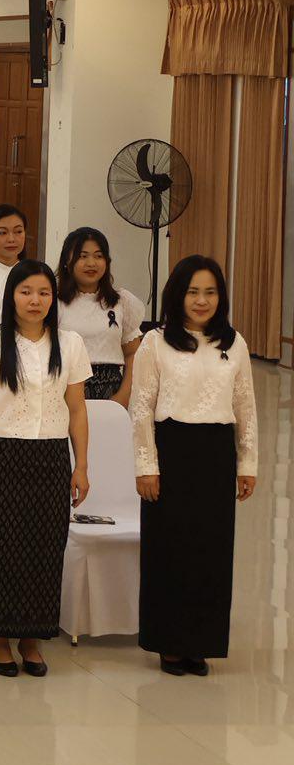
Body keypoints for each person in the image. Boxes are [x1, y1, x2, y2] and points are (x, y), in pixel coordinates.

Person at [130, 256, 258, 676]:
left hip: (216, 454)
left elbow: (246, 407)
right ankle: (169, 642)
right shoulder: (156, 341)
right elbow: (141, 407)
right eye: (192, 291)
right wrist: (146, 465)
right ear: (177, 295)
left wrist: (247, 463)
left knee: (211, 551)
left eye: (210, 292)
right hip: (172, 450)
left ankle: (199, 643)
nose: (202, 300)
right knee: (170, 550)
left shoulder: (233, 343)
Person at [0, 260, 91, 677]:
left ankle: (32, 639)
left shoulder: (69, 344)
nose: (35, 301)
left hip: (51, 455)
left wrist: (81, 466)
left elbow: (77, 410)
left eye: (43, 293)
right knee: (1, 547)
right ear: (11, 296)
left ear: (53, 299)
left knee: (44, 547)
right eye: (26, 292)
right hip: (2, 454)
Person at [55, 227, 143, 403]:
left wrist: (123, 397)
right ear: (67, 261)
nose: (91, 263)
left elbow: (133, 354)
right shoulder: (54, 302)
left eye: (98, 256)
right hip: (65, 391)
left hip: (113, 393)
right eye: (83, 256)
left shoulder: (121, 301)